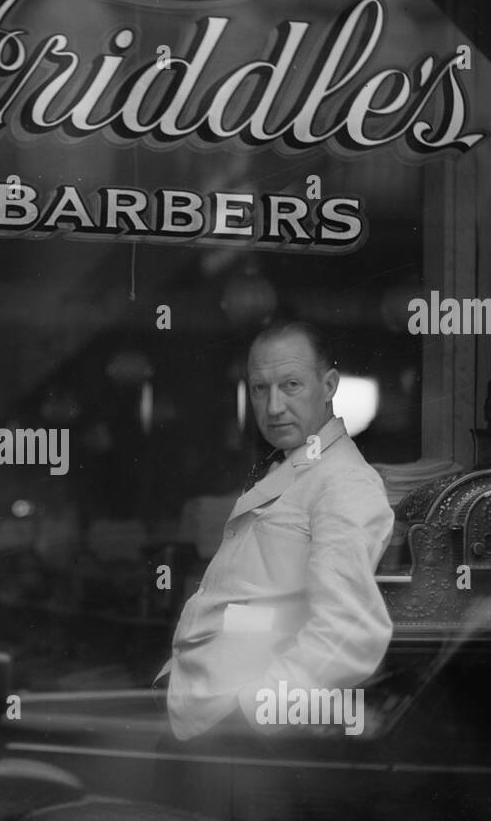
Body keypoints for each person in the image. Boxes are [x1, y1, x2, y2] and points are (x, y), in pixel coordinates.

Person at [157, 318, 394, 744]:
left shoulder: (344, 481)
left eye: (290, 385)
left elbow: (350, 631)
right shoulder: (296, 463)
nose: (273, 408)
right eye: (260, 389)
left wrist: (254, 713)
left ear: (329, 385)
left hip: (233, 732)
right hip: (200, 709)